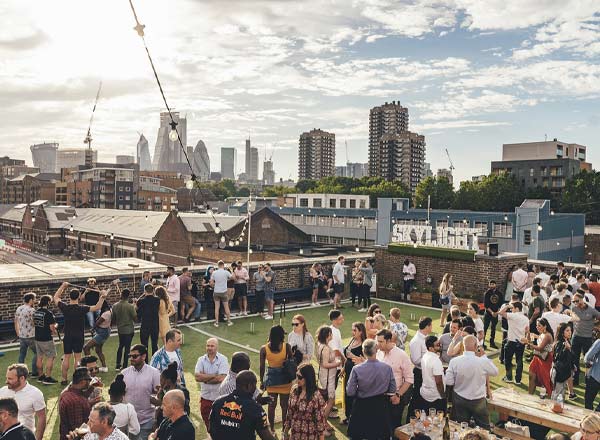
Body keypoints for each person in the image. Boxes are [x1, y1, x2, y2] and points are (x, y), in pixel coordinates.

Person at [53, 282, 107, 386]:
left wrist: (63, 286)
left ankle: (64, 379)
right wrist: (103, 296)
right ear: (78, 297)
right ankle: (76, 379)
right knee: (77, 358)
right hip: (78, 336)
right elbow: (97, 307)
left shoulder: (65, 307)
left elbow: (55, 297)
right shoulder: (82, 308)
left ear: (69, 297)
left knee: (66, 357)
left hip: (68, 336)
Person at [346, 339, 396, 440]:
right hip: (380, 405)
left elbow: (350, 392)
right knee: (380, 435)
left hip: (362, 405)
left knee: (359, 435)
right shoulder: (387, 368)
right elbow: (392, 389)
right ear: (376, 350)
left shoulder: (357, 369)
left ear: (363, 352)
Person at [446, 335, 498, 429]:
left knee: (460, 428)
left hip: (460, 398)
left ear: (463, 345)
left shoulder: (454, 361)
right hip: (478, 399)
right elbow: (495, 372)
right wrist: (484, 356)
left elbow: (449, 382)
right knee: (483, 429)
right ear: (475, 346)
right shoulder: (482, 361)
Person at [210, 371, 275, 440]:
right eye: (254, 385)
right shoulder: (255, 409)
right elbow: (266, 437)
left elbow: (211, 429)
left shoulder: (218, 402)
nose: (255, 388)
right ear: (249, 386)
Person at [376, 329, 414, 431]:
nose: (378, 344)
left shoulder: (401, 355)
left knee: (394, 426)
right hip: (380, 396)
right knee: (381, 425)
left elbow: (409, 379)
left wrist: (398, 395)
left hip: (395, 398)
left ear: (389, 341)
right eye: (377, 341)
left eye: (380, 342)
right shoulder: (379, 353)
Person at [121, 344, 161, 440]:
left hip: (146, 421)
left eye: (134, 356)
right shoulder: (123, 374)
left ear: (144, 356)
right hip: (127, 422)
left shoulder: (154, 373)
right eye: (130, 356)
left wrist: (155, 420)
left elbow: (159, 397)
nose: (131, 358)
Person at [260, 326, 293, 435]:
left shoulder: (264, 348)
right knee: (284, 407)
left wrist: (262, 381)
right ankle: (284, 431)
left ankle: (272, 430)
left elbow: (262, 367)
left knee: (271, 406)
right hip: (285, 382)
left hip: (271, 382)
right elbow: (291, 363)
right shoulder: (287, 346)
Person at [0, 364, 45, 440]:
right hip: (5, 434)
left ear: (22, 378)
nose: (6, 381)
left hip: (24, 436)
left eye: (10, 379)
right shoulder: (2, 391)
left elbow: (42, 417)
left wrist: (38, 438)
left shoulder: (35, 394)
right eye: (7, 378)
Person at [283, 363, 327, 440]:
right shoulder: (294, 390)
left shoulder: (316, 396)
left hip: (309, 435)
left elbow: (320, 423)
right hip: (294, 435)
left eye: (300, 377)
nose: (297, 379)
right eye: (296, 375)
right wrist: (285, 432)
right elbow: (289, 413)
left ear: (308, 378)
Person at [195, 338, 229, 432]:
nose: (209, 348)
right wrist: (214, 375)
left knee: (220, 425)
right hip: (205, 398)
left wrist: (205, 378)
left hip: (219, 399)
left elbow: (221, 378)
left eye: (212, 346)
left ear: (217, 347)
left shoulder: (223, 359)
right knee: (207, 423)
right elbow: (197, 377)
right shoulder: (201, 360)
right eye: (208, 345)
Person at [571, 292, 600, 386]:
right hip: (576, 337)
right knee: (574, 359)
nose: (575, 303)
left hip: (587, 338)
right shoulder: (574, 308)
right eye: (573, 301)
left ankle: (589, 380)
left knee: (588, 360)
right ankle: (575, 380)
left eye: (576, 301)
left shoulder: (592, 310)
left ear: (582, 299)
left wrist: (594, 325)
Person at [407, 317, 432, 423]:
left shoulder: (424, 338)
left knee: (424, 397)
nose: (431, 327)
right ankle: (411, 419)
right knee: (417, 397)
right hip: (419, 373)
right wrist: (430, 358)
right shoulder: (416, 341)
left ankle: (421, 418)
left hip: (425, 372)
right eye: (430, 325)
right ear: (427, 326)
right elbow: (416, 360)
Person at [315, 326, 339, 436]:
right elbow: (325, 364)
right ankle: (321, 426)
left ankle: (323, 424)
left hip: (326, 376)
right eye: (330, 333)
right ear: (328, 335)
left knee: (326, 401)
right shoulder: (325, 348)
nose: (332, 335)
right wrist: (337, 363)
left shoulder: (321, 345)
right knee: (330, 400)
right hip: (328, 378)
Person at [498, 301, 529, 385]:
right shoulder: (526, 318)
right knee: (519, 361)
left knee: (507, 360)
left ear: (517, 308)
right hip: (521, 342)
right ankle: (518, 380)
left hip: (512, 341)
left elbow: (500, 312)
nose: (511, 310)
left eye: (512, 308)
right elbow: (527, 331)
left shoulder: (513, 315)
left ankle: (509, 377)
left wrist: (507, 306)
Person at [152, 362, 190, 427]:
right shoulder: (164, 390)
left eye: (161, 380)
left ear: (168, 381)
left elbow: (183, 410)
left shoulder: (182, 392)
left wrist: (160, 403)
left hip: (177, 426)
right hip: (163, 424)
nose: (160, 383)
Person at [342, 322, 367, 425]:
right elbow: (347, 357)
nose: (352, 332)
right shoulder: (352, 340)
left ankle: (354, 417)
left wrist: (352, 355)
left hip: (357, 374)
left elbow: (365, 360)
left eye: (354, 330)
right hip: (348, 371)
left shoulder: (364, 344)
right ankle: (348, 416)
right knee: (347, 392)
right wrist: (344, 367)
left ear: (361, 332)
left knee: (353, 394)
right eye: (352, 330)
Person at [59, 367, 93, 440]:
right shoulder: (75, 402)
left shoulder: (67, 392)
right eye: (89, 380)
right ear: (83, 382)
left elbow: (81, 396)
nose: (90, 382)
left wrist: (91, 389)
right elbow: (78, 429)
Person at [32, 295, 57, 384]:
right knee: (51, 357)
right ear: (48, 302)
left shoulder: (35, 312)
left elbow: (33, 323)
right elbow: (52, 328)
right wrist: (55, 327)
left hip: (37, 337)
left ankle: (40, 376)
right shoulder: (49, 313)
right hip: (46, 338)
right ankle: (48, 377)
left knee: (39, 357)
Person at [527, 317, 554, 397]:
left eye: (539, 325)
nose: (537, 327)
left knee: (545, 380)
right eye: (536, 325)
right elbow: (535, 341)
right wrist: (528, 333)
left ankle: (550, 397)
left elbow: (540, 348)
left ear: (545, 326)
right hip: (537, 358)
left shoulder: (548, 335)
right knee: (532, 376)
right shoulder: (542, 334)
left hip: (545, 360)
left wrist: (529, 345)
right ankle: (529, 395)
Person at [419, 336, 446, 414]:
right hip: (435, 396)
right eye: (437, 345)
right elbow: (438, 382)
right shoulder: (436, 360)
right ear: (430, 348)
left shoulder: (425, 356)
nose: (440, 345)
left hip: (425, 393)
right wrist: (443, 396)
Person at [111, 288, 136, 371]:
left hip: (120, 330)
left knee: (120, 346)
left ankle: (118, 365)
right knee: (127, 348)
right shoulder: (130, 306)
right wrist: (135, 308)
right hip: (129, 329)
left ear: (121, 295)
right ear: (128, 296)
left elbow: (113, 319)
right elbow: (135, 319)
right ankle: (125, 365)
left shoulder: (115, 306)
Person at [82, 300, 111, 373]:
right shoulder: (108, 311)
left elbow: (97, 323)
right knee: (98, 350)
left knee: (86, 347)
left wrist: (92, 329)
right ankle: (104, 367)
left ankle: (90, 367)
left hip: (102, 333)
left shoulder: (105, 314)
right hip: (104, 332)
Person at [15, 293, 38, 378]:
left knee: (22, 354)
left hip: (22, 335)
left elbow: (16, 321)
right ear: (31, 300)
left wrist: (18, 333)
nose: (35, 300)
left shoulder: (19, 308)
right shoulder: (32, 310)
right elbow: (34, 323)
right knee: (37, 352)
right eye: (34, 299)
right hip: (31, 335)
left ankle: (20, 373)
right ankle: (34, 372)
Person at [551, 322, 575, 402]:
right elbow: (558, 357)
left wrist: (572, 365)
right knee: (557, 395)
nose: (570, 332)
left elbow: (569, 356)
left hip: (564, 373)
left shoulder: (567, 341)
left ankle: (557, 409)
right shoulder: (559, 343)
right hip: (559, 373)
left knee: (561, 395)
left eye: (570, 330)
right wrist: (566, 349)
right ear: (562, 332)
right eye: (567, 330)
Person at [136, 284, 160, 358]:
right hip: (155, 324)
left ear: (145, 291)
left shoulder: (141, 301)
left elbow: (138, 313)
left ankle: (145, 361)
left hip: (145, 324)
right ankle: (154, 361)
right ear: (153, 291)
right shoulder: (157, 300)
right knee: (154, 344)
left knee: (144, 345)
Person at [210, 260, 234, 327]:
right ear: (223, 265)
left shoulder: (214, 272)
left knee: (216, 308)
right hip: (223, 292)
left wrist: (215, 285)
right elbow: (233, 278)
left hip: (216, 292)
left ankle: (217, 322)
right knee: (226, 307)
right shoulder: (226, 272)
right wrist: (231, 270)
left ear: (218, 265)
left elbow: (211, 283)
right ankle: (229, 321)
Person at [483, 280, 501, 349]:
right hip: (488, 313)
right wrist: (492, 312)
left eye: (493, 284)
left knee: (494, 328)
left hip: (495, 314)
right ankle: (482, 343)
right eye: (490, 284)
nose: (491, 285)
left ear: (495, 285)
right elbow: (486, 305)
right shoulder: (487, 293)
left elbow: (500, 304)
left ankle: (492, 343)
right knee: (485, 328)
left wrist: (497, 312)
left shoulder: (499, 293)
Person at [584, 338, 600, 411]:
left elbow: (587, 357)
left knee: (588, 402)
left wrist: (590, 363)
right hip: (595, 376)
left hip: (595, 376)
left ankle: (589, 420)